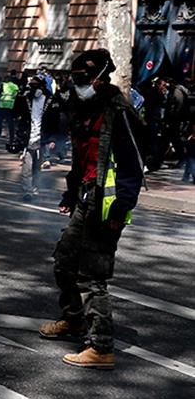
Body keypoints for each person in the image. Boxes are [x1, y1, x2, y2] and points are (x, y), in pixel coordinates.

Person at [39, 49, 144, 370]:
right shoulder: (81, 106)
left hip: (107, 205)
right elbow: (82, 158)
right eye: (74, 78)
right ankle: (74, 319)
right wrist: (71, 194)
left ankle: (101, 347)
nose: (77, 83)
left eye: (83, 79)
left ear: (100, 78)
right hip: (85, 196)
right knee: (64, 260)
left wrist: (118, 212)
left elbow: (133, 167)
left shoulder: (119, 111)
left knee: (91, 275)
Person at [16, 75, 51, 201]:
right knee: (27, 167)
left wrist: (52, 139)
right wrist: (20, 96)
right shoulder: (26, 99)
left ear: (42, 86)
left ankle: (35, 187)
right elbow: (16, 113)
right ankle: (27, 190)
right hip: (29, 138)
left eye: (36, 85)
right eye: (32, 86)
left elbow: (55, 120)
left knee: (37, 166)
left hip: (42, 139)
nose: (34, 89)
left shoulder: (50, 100)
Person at [0, 71, 20, 144]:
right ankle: (12, 138)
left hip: (2, 105)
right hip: (11, 106)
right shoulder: (15, 86)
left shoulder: (3, 85)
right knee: (10, 123)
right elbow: (17, 95)